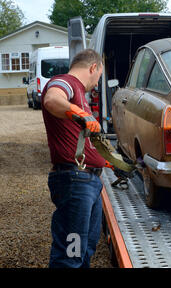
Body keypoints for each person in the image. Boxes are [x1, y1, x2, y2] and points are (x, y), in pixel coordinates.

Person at [41, 49, 105, 268]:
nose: (97, 84)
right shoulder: (64, 82)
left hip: (87, 182)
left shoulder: (77, 91)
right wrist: (81, 113)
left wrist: (105, 162)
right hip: (75, 181)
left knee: (84, 248)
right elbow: (52, 99)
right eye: (98, 77)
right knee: (71, 253)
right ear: (93, 68)